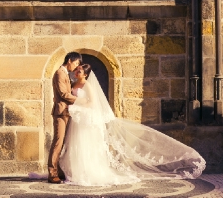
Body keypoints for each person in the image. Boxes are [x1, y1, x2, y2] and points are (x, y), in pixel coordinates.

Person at [59, 64, 205, 186]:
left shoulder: (87, 85)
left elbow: (92, 102)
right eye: (77, 69)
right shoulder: (74, 84)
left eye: (80, 70)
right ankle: (78, 172)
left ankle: (89, 173)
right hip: (78, 119)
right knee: (77, 144)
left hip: (85, 118)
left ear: (85, 74)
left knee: (87, 144)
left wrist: (77, 106)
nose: (77, 72)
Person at [47, 51, 82, 184]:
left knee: (65, 142)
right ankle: (52, 173)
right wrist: (80, 101)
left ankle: (60, 170)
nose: (76, 66)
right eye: (76, 63)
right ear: (69, 61)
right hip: (61, 113)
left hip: (68, 112)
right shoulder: (59, 73)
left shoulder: (65, 73)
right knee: (58, 141)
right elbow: (63, 94)